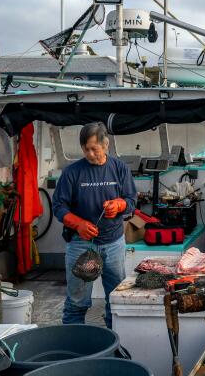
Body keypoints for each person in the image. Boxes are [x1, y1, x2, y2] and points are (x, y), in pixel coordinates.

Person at [52, 122, 137, 328]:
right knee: (77, 301)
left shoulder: (120, 168)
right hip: (81, 244)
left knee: (115, 298)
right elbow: (58, 207)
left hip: (114, 243)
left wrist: (119, 205)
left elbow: (131, 202)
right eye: (86, 149)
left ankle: (115, 341)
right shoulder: (72, 172)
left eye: (94, 149)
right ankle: (75, 346)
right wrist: (79, 224)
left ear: (105, 145)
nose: (90, 154)